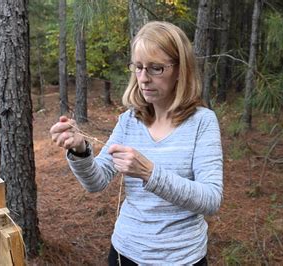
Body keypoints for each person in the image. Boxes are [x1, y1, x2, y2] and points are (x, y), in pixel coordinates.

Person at [50, 21, 223, 265]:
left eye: (156, 69)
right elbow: (96, 182)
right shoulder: (129, 120)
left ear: (180, 70)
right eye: (138, 67)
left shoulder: (202, 122)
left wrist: (149, 173)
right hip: (125, 254)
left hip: (182, 258)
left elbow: (211, 199)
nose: (143, 78)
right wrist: (79, 150)